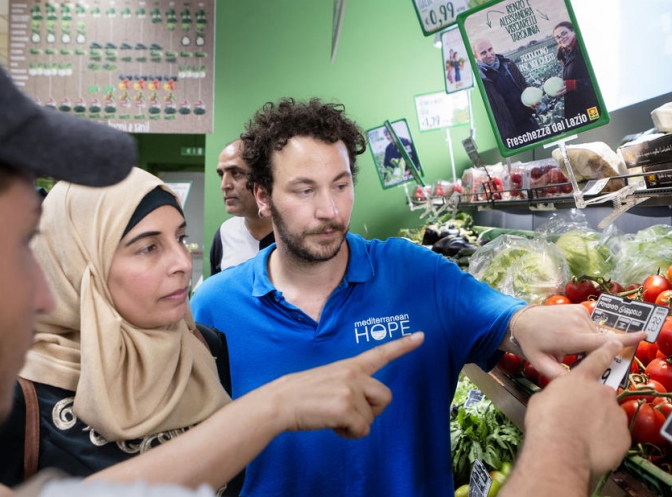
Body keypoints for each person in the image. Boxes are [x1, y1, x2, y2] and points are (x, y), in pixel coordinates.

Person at [0, 0, 423, 497]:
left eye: (179, 238)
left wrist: (272, 408)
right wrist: (273, 408)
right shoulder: (9, 406)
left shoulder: (204, 349)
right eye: (20, 248)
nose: (43, 296)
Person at [191, 97, 645, 497]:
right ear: (263, 197)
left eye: (341, 185)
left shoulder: (416, 273)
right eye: (304, 190)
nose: (329, 210)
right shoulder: (214, 307)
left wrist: (532, 322)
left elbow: (505, 319)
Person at [208, 139, 274, 275]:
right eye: (221, 175)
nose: (224, 185)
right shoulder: (225, 234)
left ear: (263, 178)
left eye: (236, 173)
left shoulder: (291, 233)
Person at [473, 38, 539, 139]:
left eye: (490, 49)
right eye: (483, 53)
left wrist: (532, 100)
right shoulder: (479, 79)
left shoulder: (508, 64)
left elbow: (524, 85)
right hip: (509, 133)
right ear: (476, 56)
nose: (489, 55)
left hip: (529, 121)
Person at [552, 21, 600, 122]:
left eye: (564, 33)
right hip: (578, 108)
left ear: (573, 31)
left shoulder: (584, 48)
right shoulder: (566, 53)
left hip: (591, 106)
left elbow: (601, 79)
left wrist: (574, 85)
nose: (561, 38)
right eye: (558, 37)